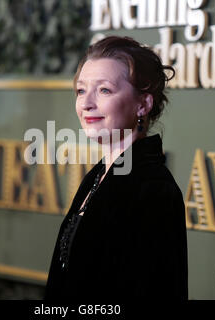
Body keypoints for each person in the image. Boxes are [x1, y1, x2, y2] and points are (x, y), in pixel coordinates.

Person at [44, 36, 188, 301]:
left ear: (143, 104)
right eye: (80, 90)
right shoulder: (96, 178)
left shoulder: (154, 189)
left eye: (104, 90)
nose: (86, 103)